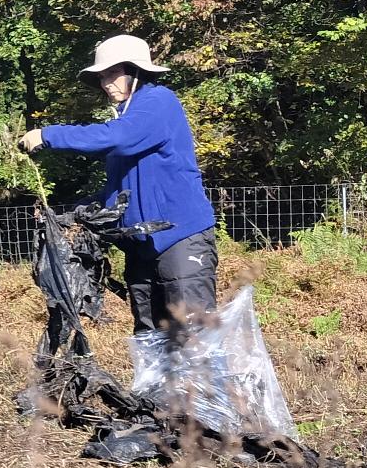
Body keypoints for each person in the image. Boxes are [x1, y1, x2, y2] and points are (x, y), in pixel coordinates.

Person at [18, 33, 218, 334]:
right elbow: (120, 192)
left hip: (180, 240)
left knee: (193, 335)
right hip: (141, 247)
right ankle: (155, 384)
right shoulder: (131, 117)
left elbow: (117, 138)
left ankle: (207, 384)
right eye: (101, 77)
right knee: (151, 336)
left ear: (135, 71)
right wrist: (75, 214)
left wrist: (49, 135)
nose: (106, 83)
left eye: (113, 73)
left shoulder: (158, 101)